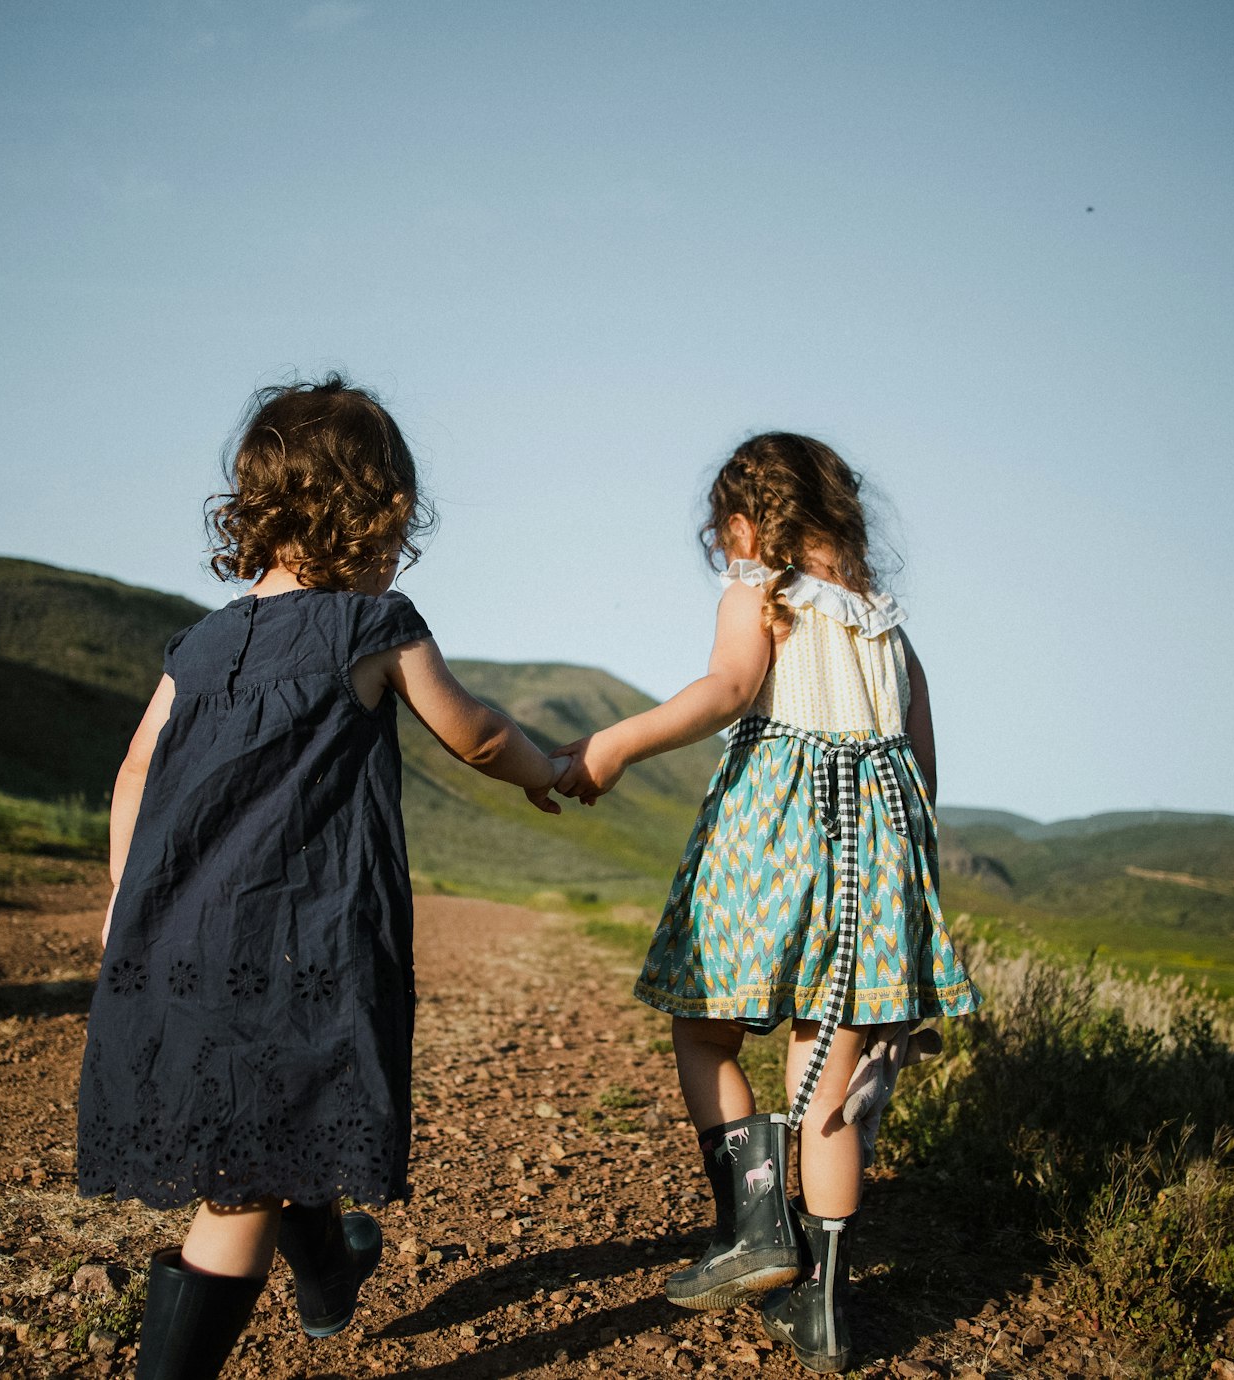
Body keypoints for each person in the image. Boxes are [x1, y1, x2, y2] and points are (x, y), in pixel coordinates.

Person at [76, 376, 565, 1379]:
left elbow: (133, 772)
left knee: (271, 1119)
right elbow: (472, 735)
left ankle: (332, 1268)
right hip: (299, 940)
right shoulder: (373, 625)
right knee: (240, 1184)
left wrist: (127, 910)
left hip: (173, 935)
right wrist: (550, 769)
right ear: (375, 510)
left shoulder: (201, 643)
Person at [554, 432, 979, 1373]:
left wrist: (614, 745)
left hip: (773, 840)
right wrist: (907, 893)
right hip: (880, 861)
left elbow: (729, 688)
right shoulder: (887, 625)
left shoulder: (761, 592)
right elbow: (922, 767)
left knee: (705, 1027)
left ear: (748, 525)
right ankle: (823, 1312)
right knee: (828, 1087)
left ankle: (754, 1227)